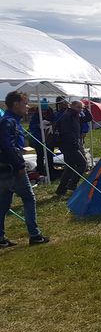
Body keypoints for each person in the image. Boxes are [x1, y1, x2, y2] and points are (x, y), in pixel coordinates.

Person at [0, 91, 50, 247]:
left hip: (5, 167)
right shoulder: (9, 122)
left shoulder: (10, 120)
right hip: (12, 168)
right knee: (28, 198)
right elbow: (9, 146)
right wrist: (20, 165)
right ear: (16, 104)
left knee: (4, 203)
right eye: (25, 103)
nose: (27, 107)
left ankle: (0, 238)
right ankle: (35, 235)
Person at [55, 101, 92, 196]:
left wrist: (86, 108)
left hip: (70, 144)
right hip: (69, 145)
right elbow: (67, 132)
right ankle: (72, 184)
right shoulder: (68, 116)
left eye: (81, 108)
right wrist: (75, 144)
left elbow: (88, 118)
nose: (80, 109)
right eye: (78, 107)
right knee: (82, 164)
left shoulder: (75, 115)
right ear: (72, 106)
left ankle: (61, 190)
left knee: (70, 168)